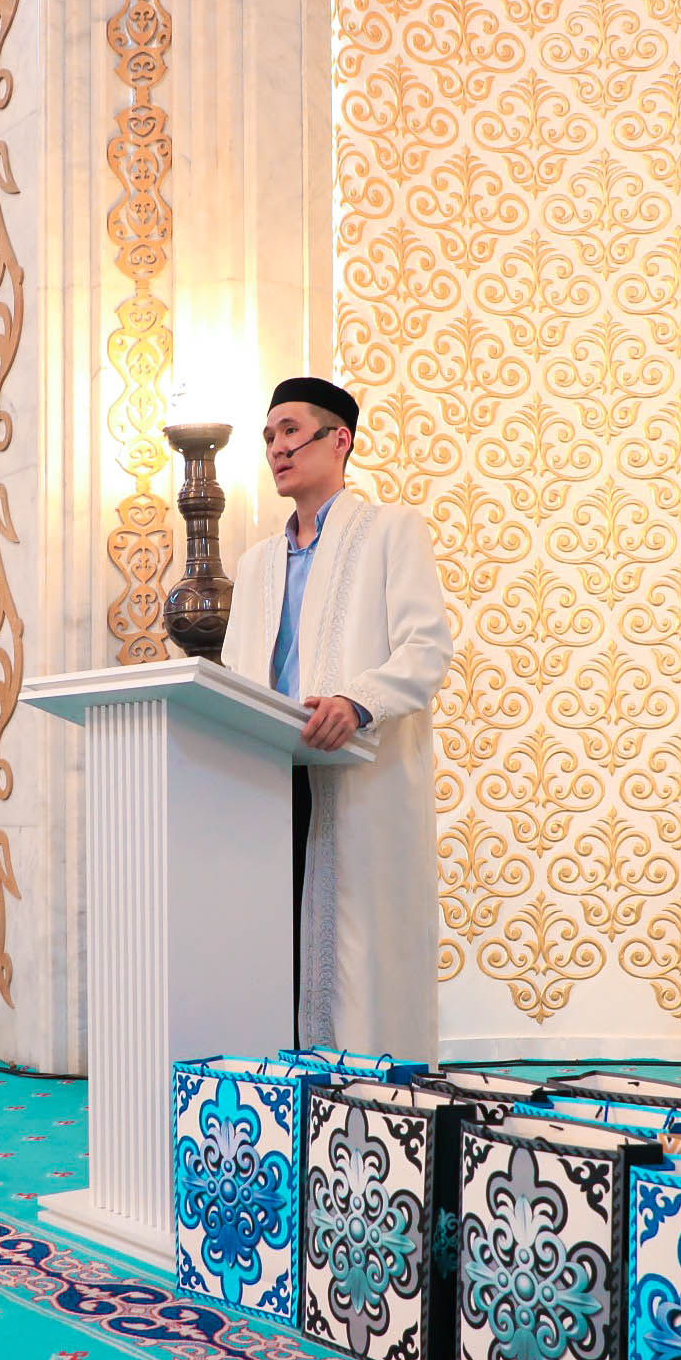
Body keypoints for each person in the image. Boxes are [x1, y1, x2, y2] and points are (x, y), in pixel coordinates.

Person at [219, 376, 453, 1061]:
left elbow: (427, 648)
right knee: (271, 951)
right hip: (268, 782)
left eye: (291, 431)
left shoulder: (391, 531)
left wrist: (355, 701)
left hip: (357, 780)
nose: (276, 448)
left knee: (360, 965)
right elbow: (235, 671)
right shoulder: (257, 563)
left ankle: (374, 1101)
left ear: (339, 440)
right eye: (269, 437)